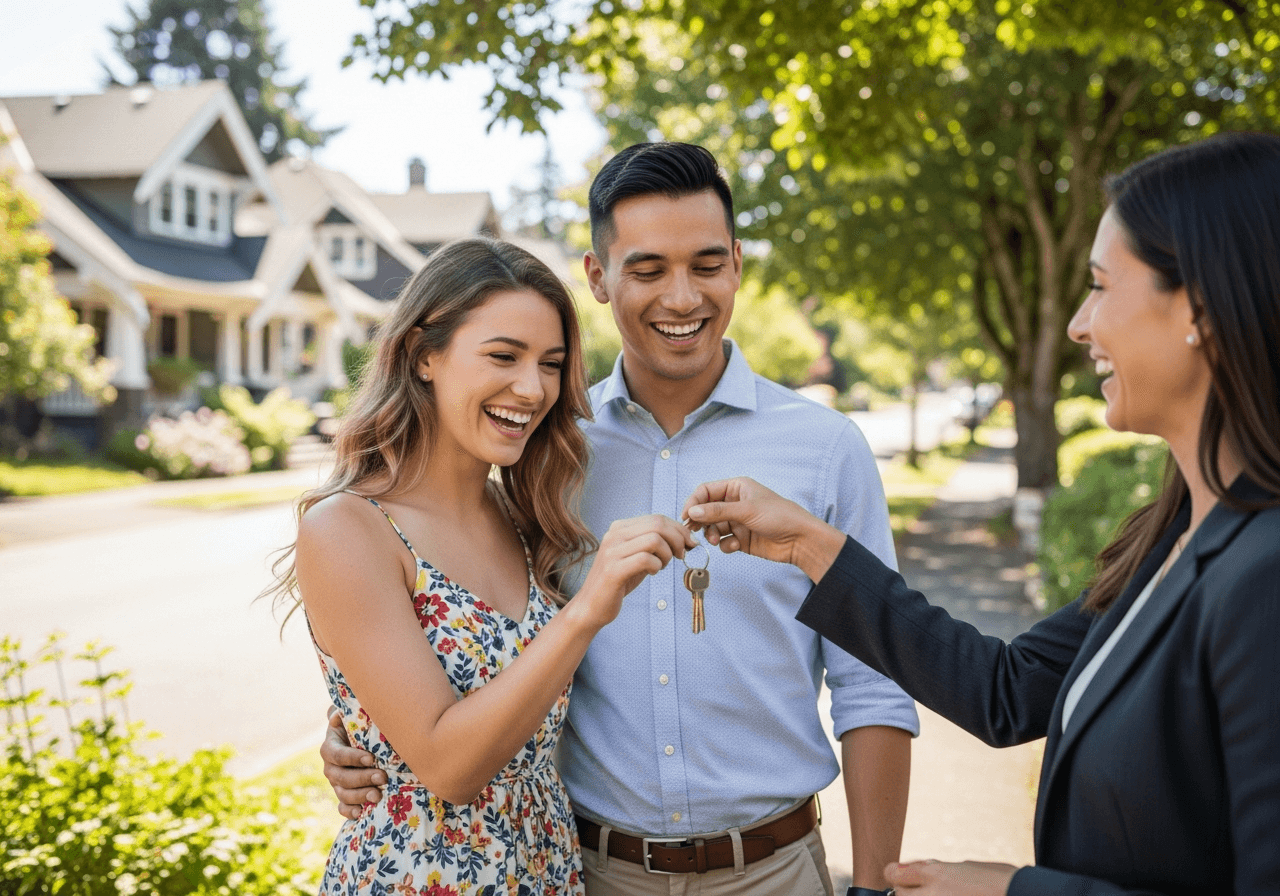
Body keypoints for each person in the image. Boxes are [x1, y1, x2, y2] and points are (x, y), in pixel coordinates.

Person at [682, 132, 1280, 895]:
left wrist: (1012, 890)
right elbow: (1008, 689)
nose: (1078, 324)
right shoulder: (1173, 534)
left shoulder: (1264, 576)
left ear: (1199, 304)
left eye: (1100, 285)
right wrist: (808, 544)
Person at [322, 143, 919, 895]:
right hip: (590, 871)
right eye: (647, 270)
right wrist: (364, 730)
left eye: (706, 265)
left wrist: (872, 886)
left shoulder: (827, 449)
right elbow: (464, 634)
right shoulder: (546, 453)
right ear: (599, 278)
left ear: (736, 263)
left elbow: (875, 688)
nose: (681, 297)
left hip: (776, 871)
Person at [276, 237, 695, 894]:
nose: (532, 389)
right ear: (424, 356)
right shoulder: (349, 527)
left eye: (551, 364)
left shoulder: (523, 517)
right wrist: (589, 609)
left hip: (545, 870)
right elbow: (447, 766)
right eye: (503, 356)